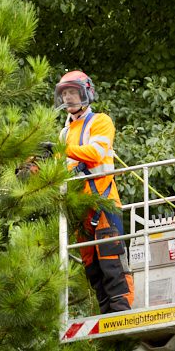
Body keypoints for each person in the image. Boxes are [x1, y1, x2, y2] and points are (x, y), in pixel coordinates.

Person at [54, 70, 134, 314]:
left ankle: (122, 310)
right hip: (79, 207)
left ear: (85, 93)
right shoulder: (64, 133)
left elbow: (95, 153)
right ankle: (106, 312)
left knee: (111, 259)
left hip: (103, 201)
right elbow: (59, 170)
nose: (68, 98)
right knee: (92, 264)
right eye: (64, 93)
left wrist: (62, 150)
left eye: (72, 92)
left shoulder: (100, 121)